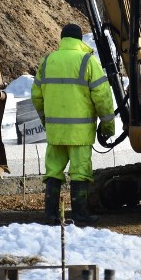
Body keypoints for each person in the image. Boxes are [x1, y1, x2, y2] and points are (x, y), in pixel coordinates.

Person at [31, 23, 116, 225]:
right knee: (80, 172)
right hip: (80, 134)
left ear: (62, 39)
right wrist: (108, 127)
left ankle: (51, 215)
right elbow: (103, 97)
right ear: (80, 40)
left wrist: (47, 121)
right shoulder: (87, 61)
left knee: (53, 172)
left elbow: (36, 96)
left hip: (56, 133)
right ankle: (80, 215)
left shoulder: (47, 61)